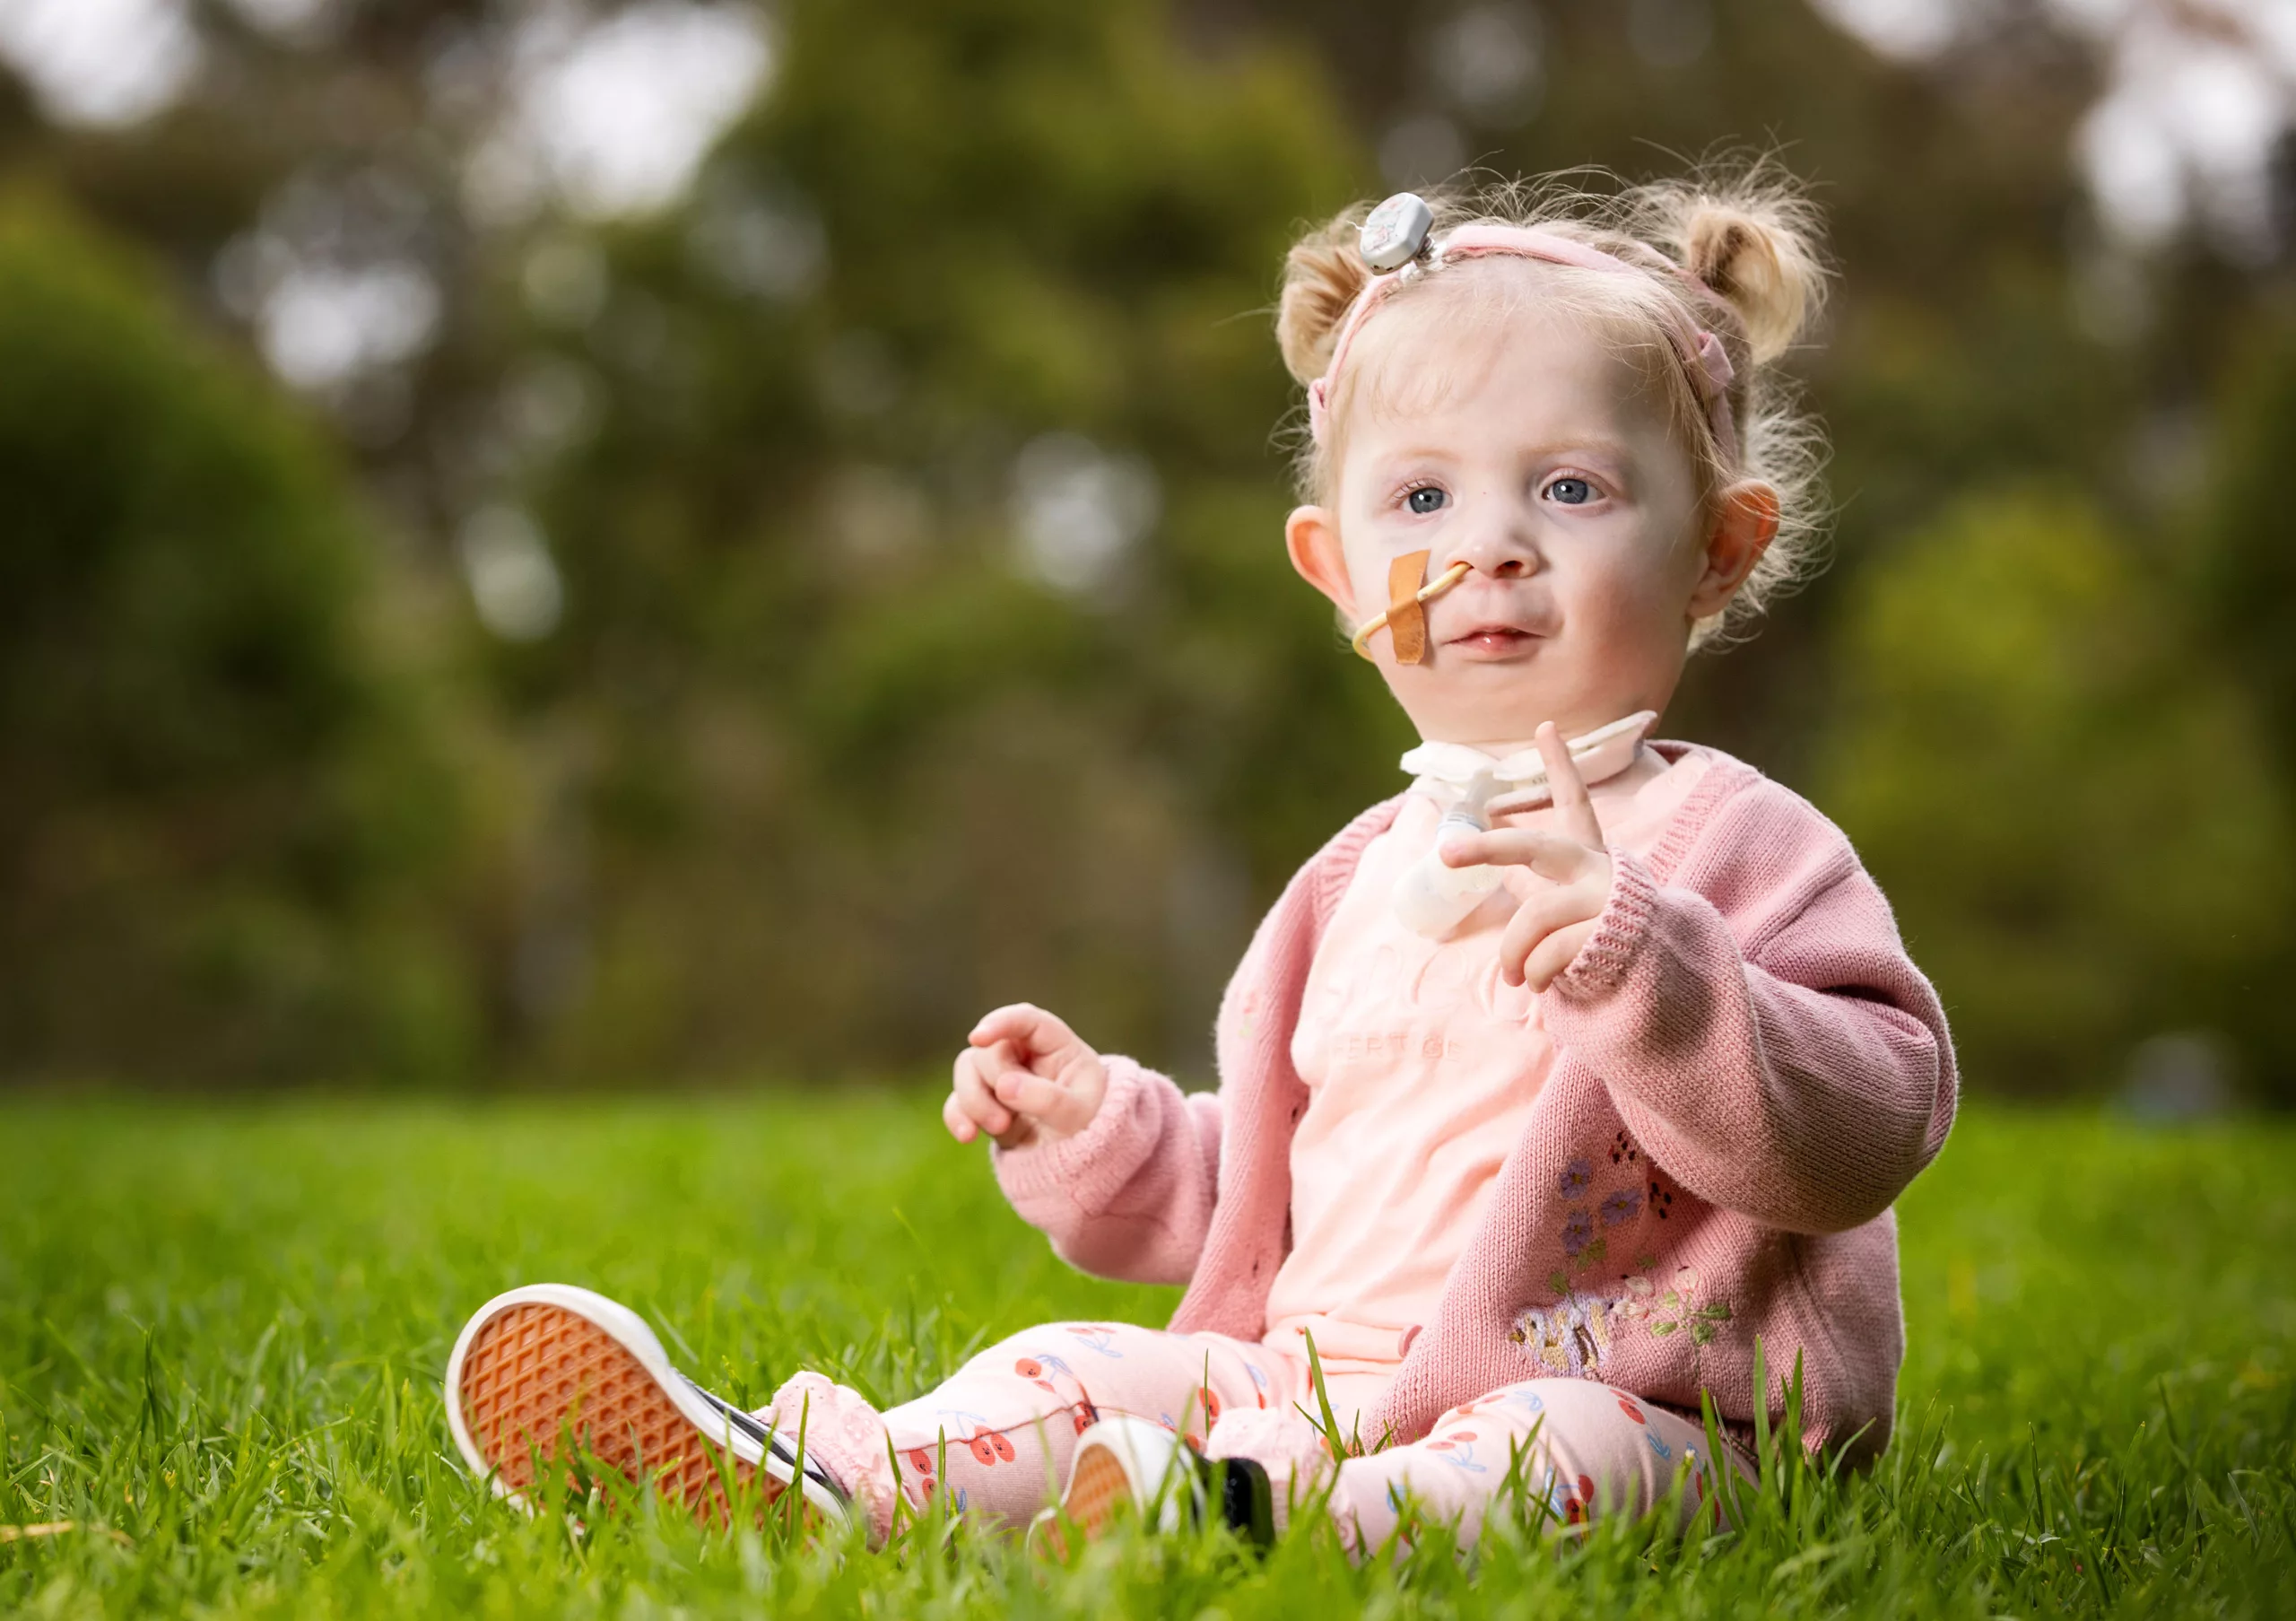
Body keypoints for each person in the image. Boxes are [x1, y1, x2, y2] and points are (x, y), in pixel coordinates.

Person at [442, 166, 1956, 1556]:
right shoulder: (1353, 881)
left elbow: (1873, 1126)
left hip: (1651, 1410)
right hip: (1307, 1377)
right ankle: (835, 1477)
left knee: (1531, 1447)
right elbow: (1271, 1188)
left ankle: (1262, 1527)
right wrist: (1101, 1129)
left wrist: (1657, 972)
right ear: (1340, 571)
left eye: (1570, 489)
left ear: (1718, 546)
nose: (1490, 546)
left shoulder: (1740, 844)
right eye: (1423, 499)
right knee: (1076, 1365)